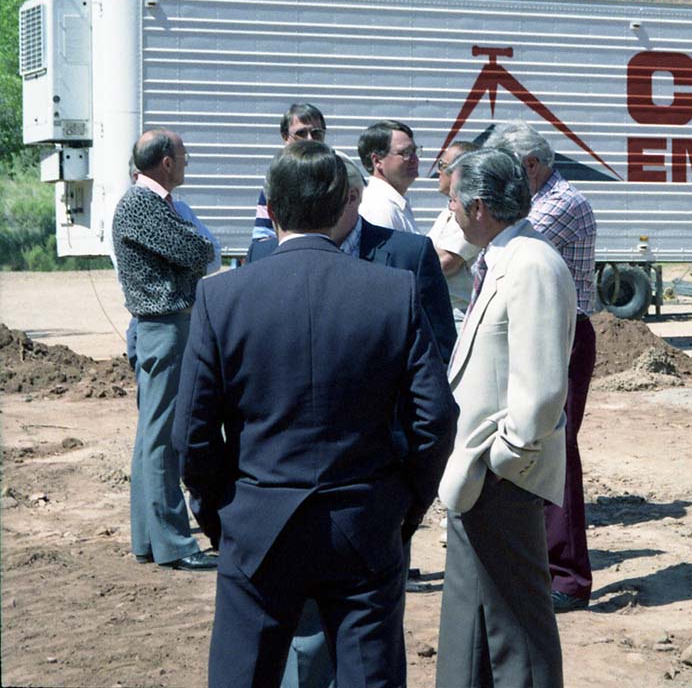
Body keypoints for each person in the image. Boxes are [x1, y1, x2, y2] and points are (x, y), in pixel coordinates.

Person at [174, 140, 457, 688]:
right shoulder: (392, 292)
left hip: (258, 520)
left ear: (272, 210)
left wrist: (222, 516)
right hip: (364, 519)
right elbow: (436, 417)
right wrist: (404, 504)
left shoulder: (222, 297)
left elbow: (192, 435)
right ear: (345, 205)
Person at [436, 147, 576, 688]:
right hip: (480, 473)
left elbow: (542, 389)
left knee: (517, 624)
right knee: (473, 613)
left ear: (477, 207)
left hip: (502, 473)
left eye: (451, 203)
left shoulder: (532, 263)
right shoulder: (503, 255)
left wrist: (504, 457)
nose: (447, 215)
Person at [485, 121, 598, 613]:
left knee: (555, 448)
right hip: (546, 333)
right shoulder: (544, 199)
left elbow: (498, 250)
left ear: (529, 166)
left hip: (562, 335)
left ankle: (569, 576)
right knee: (538, 443)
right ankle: (548, 562)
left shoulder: (561, 203)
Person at [111, 129, 217, 571]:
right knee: (161, 438)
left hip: (165, 326)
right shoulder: (142, 204)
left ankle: (150, 539)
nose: (187, 160)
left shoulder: (150, 203)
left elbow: (197, 250)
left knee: (152, 436)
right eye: (183, 154)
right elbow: (197, 247)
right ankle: (173, 543)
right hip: (164, 327)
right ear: (166, 163)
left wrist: (197, 249)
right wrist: (197, 246)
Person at [249, 158, 456, 364]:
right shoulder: (263, 253)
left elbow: (438, 350)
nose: (309, 207)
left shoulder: (410, 255)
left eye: (322, 198)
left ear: (352, 197)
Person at [125, 195, 222, 371]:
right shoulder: (135, 211)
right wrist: (189, 268)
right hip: (147, 319)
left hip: (179, 318)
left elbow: (214, 255)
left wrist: (183, 271)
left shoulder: (181, 210)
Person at [252, 103, 330, 242]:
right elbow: (262, 235)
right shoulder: (276, 177)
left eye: (316, 133)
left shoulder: (339, 172)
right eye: (301, 133)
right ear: (285, 136)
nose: (310, 139)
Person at [426, 141, 481, 325]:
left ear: (460, 172)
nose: (438, 171)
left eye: (443, 165)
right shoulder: (448, 211)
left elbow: (445, 262)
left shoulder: (470, 213)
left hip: (457, 315)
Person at [357, 120, 421, 234]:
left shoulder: (394, 204)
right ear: (377, 161)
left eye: (415, 151)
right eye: (405, 152)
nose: (415, 159)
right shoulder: (381, 210)